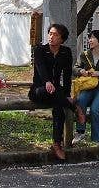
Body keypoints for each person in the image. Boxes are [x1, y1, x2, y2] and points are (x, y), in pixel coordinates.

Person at [29, 23, 86, 161]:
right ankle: (75, 109)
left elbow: (67, 76)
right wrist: (47, 81)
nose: (51, 37)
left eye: (55, 35)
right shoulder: (40, 50)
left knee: (59, 109)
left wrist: (67, 95)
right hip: (39, 89)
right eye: (50, 34)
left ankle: (56, 144)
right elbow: (40, 68)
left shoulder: (65, 52)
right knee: (51, 93)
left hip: (57, 93)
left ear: (62, 38)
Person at [72, 29, 99, 145]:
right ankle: (80, 132)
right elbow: (75, 68)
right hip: (87, 87)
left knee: (95, 109)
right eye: (90, 38)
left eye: (93, 38)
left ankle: (98, 139)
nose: (90, 40)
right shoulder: (84, 54)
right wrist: (81, 71)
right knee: (80, 101)